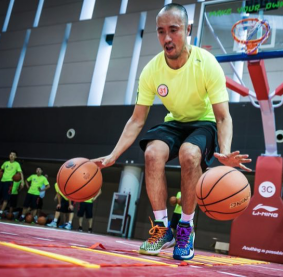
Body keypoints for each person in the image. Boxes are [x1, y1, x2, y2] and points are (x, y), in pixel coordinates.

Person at [93, 3, 251, 261]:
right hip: (176, 121)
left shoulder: (207, 63)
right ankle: (162, 228)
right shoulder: (151, 70)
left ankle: (185, 228)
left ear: (188, 29)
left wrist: (223, 154)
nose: (167, 38)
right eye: (161, 31)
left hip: (205, 121)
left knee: (190, 154)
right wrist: (113, 155)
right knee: (153, 152)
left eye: (174, 30)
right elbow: (136, 120)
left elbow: (223, 116)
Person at [0, 151, 24, 218]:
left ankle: (1, 212)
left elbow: (20, 173)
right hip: (2, 181)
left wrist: (22, 181)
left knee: (6, 198)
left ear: (15, 157)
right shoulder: (5, 163)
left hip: (9, 182)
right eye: (10, 154)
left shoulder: (17, 164)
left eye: (13, 155)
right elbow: (1, 170)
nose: (11, 155)